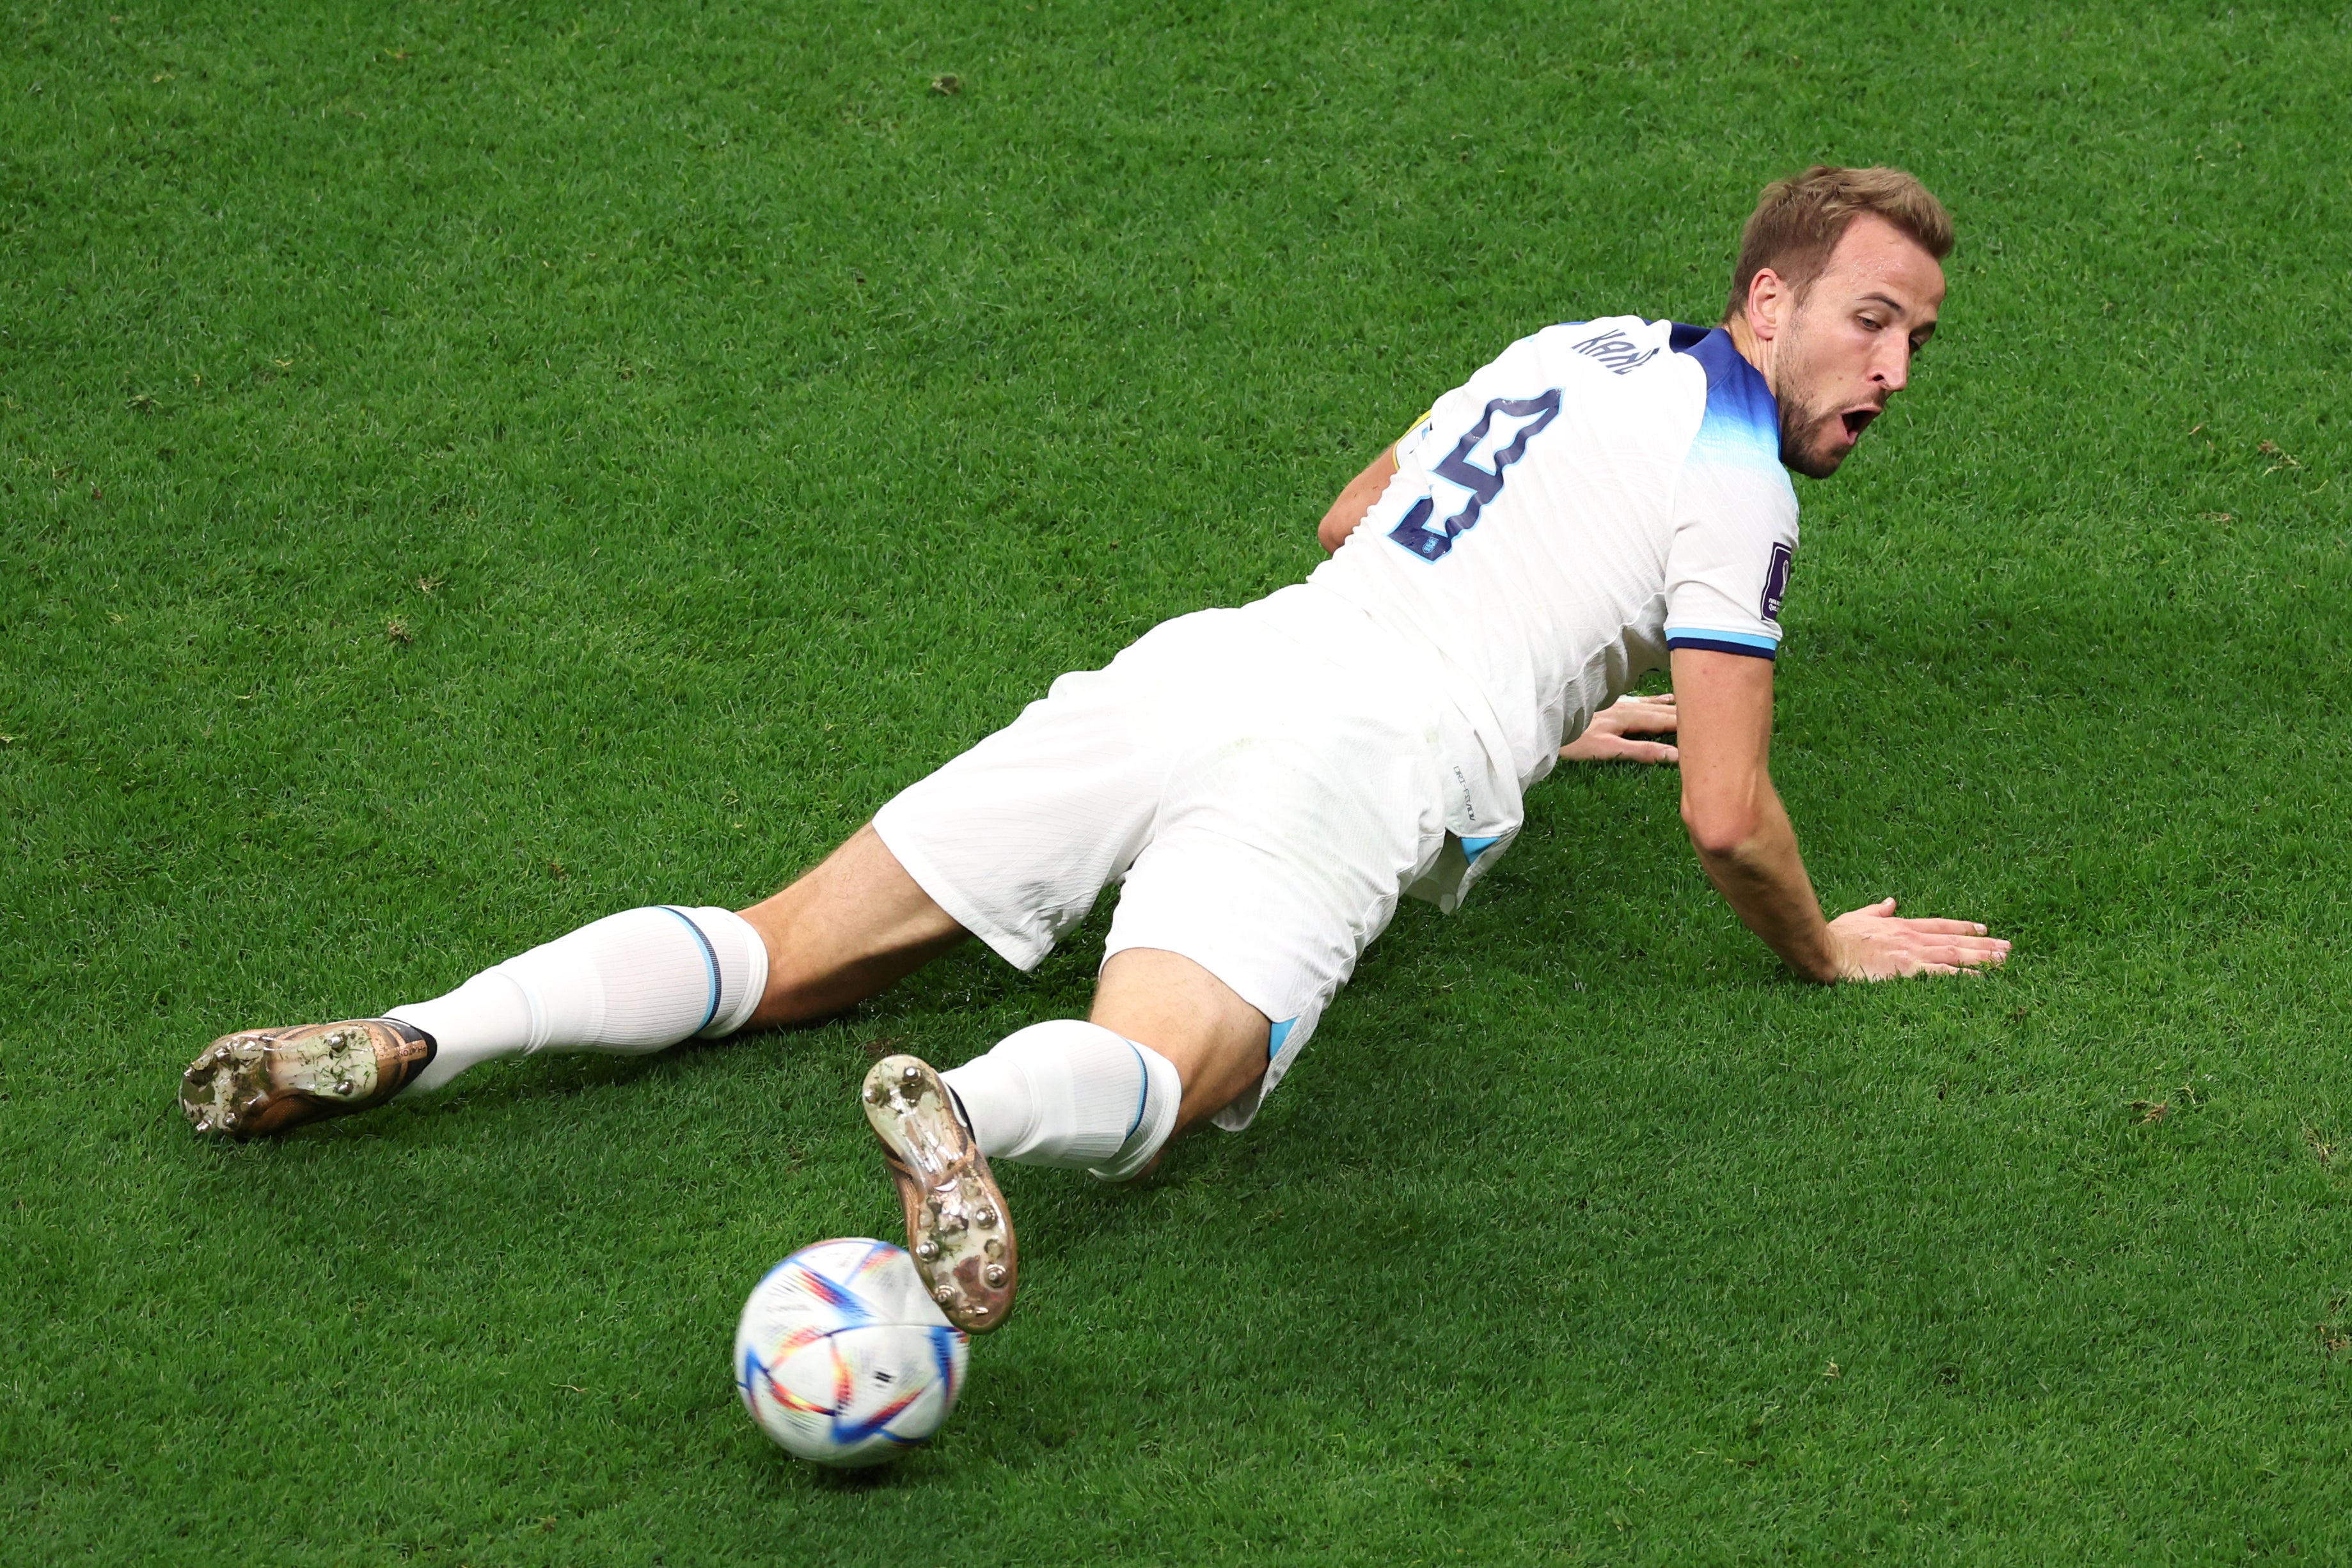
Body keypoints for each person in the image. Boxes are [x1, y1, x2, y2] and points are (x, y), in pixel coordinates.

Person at [178, 165, 2009, 1335]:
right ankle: (963, 1110)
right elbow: (1728, 812)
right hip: (1358, 751)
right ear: (1765, 302)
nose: (1893, 373)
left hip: (1218, 660)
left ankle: (430, 1032)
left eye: (1917, 339)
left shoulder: (1582, 344)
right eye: (1870, 320)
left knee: (775, 944)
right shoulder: (1745, 484)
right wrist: (1826, 937)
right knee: (1176, 1067)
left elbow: (1354, 514)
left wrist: (1550, 683)